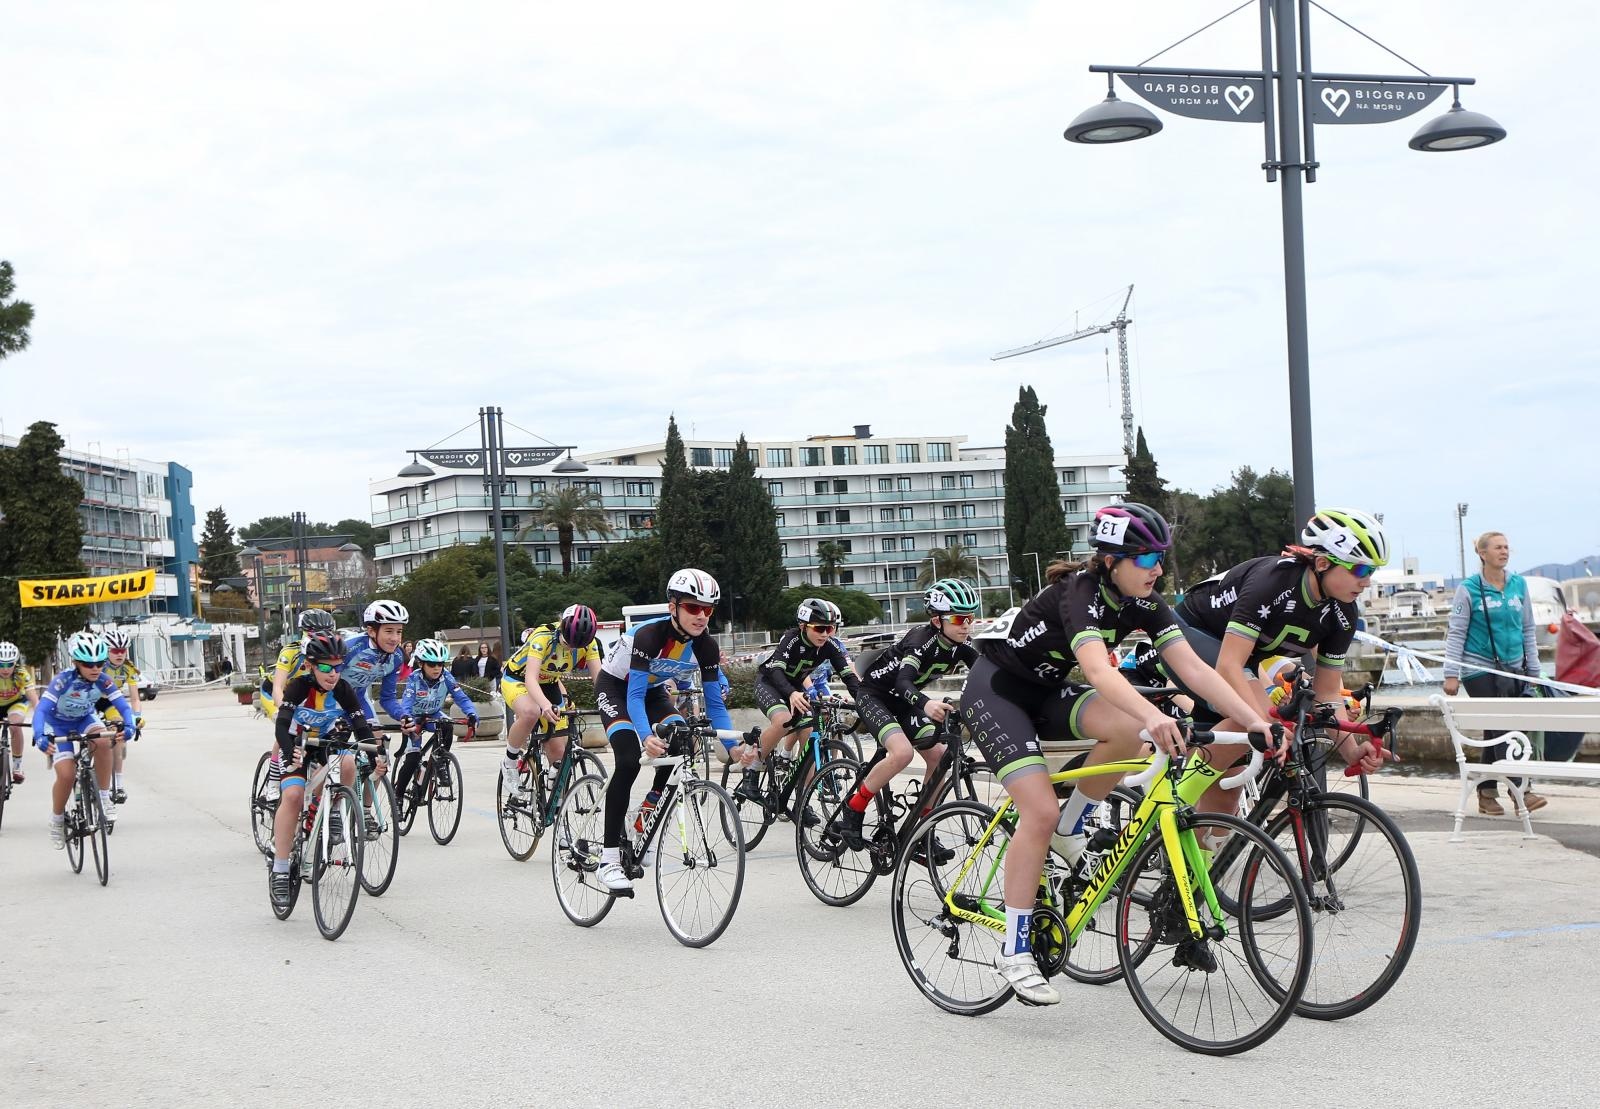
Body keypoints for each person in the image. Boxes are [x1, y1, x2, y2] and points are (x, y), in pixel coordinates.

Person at [960, 503, 1274, 1006]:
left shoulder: (1143, 601)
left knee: (1125, 732)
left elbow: (1194, 669)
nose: (1157, 568)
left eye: (1160, 557)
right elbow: (1101, 674)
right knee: (1038, 811)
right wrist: (1155, 715)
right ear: (1110, 559)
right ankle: (1014, 948)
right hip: (995, 692)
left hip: (1044, 692)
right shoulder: (1080, 594)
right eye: (1146, 557)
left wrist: (1255, 717)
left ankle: (1071, 828)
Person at [1143, 506, 1392, 816]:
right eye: (1360, 570)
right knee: (1255, 721)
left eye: (1372, 572)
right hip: (1193, 635)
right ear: (1324, 562)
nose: (1367, 581)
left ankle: (1194, 847)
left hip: (1239, 659)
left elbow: (1327, 693)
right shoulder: (1273, 582)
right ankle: (1167, 806)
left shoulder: (1343, 614)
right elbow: (1229, 666)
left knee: (1227, 795)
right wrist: (1263, 722)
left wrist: (1352, 749)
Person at [593, 569, 734, 892]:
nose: (701, 616)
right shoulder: (649, 637)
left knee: (682, 741)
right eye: (693, 608)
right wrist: (646, 737)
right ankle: (608, 858)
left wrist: (734, 746)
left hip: (654, 691)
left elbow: (715, 706)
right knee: (628, 760)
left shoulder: (706, 646)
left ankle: (646, 815)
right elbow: (634, 697)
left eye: (708, 609)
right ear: (673, 607)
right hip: (617, 687)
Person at [829, 580, 977, 851]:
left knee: (940, 756)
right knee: (902, 753)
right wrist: (926, 703)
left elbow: (984, 679)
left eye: (970, 617)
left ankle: (922, 829)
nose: (966, 625)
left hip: (903, 704)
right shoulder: (921, 641)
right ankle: (853, 809)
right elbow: (902, 683)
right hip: (874, 697)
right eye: (958, 618)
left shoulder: (962, 646)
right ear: (936, 620)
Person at [268, 632, 379, 910]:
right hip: (297, 743)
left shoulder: (342, 689)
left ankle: (330, 809)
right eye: (326, 667)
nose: (333, 674)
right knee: (293, 796)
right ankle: (281, 869)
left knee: (350, 762)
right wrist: (287, 748)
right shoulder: (298, 687)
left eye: (339, 666)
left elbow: (360, 725)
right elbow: (281, 725)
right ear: (310, 666)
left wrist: (376, 752)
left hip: (325, 743)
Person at [1444, 530, 1546, 815]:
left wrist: (1533, 670)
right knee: (1503, 726)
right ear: (1482, 553)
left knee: (1495, 728)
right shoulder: (1469, 588)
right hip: (1479, 668)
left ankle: (1486, 794)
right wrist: (1451, 673)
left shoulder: (1518, 585)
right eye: (1498, 547)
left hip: (1514, 668)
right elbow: (1456, 633)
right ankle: (1521, 791)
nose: (1504, 551)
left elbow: (1527, 628)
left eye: (1507, 547)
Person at [737, 597, 862, 807]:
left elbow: (848, 676)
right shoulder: (792, 638)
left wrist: (862, 700)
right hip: (770, 683)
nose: (825, 634)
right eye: (819, 629)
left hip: (795, 689)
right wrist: (792, 694)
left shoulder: (830, 645)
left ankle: (802, 802)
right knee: (784, 720)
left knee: (809, 735)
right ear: (803, 626)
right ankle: (751, 774)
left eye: (830, 629)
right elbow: (777, 670)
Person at [33, 632, 138, 846]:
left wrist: (130, 725)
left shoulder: (103, 680)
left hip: (83, 718)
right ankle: (57, 819)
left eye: (100, 663)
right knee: (67, 774)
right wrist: (39, 734)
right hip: (57, 723)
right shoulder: (63, 681)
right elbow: (41, 710)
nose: (96, 669)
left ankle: (104, 796)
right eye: (89, 665)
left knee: (103, 742)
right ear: (76, 663)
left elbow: (124, 707)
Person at [499, 605, 604, 804]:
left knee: (558, 752)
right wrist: (545, 705)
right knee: (531, 712)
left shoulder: (590, 644)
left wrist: (611, 706)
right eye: (568, 642)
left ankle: (554, 805)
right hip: (517, 679)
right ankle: (510, 762)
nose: (571, 649)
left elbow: (600, 680)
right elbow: (530, 678)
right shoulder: (543, 637)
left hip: (549, 684)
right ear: (562, 628)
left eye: (577, 646)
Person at [395, 638, 479, 803]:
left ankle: (440, 762)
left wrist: (472, 714)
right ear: (421, 664)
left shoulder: (446, 677)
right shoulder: (414, 679)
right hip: (415, 718)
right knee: (412, 759)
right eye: (432, 665)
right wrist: (406, 720)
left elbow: (461, 698)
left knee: (447, 725)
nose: (437, 668)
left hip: (433, 715)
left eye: (440, 664)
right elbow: (406, 704)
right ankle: (397, 798)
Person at [98, 629, 144, 806]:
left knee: (118, 735)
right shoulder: (98, 666)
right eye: (115, 651)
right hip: (91, 702)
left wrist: (136, 717)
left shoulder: (128, 669)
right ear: (107, 651)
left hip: (110, 703)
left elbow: (134, 697)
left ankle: (118, 783)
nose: (120, 654)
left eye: (123, 650)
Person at [1, 641, 40, 785]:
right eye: (1, 665)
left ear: (15, 663)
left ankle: (17, 767)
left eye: (9, 664)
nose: (5, 669)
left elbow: (33, 697)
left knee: (15, 726)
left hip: (15, 702)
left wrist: (40, 715)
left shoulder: (21, 674)